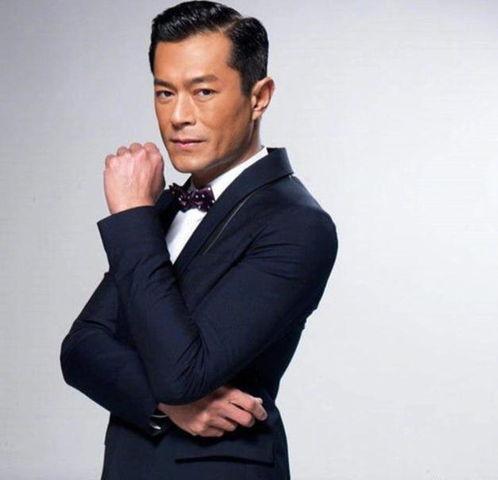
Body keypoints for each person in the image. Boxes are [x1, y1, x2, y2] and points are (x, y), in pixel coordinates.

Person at [59, 1, 338, 478]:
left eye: (203, 91)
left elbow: (181, 374)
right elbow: (81, 350)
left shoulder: (298, 224)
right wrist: (168, 407)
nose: (178, 116)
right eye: (164, 93)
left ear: (259, 97)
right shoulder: (167, 207)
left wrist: (132, 216)